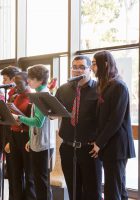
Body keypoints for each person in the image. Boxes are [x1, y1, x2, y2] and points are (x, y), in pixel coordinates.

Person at [90, 51, 135, 200]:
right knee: (117, 187)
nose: (92, 67)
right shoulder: (105, 85)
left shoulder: (119, 86)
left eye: (94, 63)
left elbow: (115, 120)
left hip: (117, 145)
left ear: (106, 64)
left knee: (112, 188)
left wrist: (99, 143)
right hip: (110, 144)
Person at [55, 55, 102, 200]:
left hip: (90, 149)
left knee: (92, 192)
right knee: (74, 191)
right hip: (68, 147)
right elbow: (55, 112)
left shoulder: (100, 89)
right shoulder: (63, 89)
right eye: (74, 67)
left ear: (90, 69)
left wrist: (99, 142)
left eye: (82, 67)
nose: (77, 70)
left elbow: (105, 119)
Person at [12, 65, 55, 200]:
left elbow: (37, 122)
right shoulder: (38, 94)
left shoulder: (42, 96)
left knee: (41, 182)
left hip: (43, 144)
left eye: (31, 78)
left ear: (40, 80)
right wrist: (30, 140)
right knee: (38, 181)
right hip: (38, 142)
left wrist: (18, 118)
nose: (28, 81)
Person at [8, 72, 36, 200]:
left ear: (27, 82)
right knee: (16, 173)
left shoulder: (33, 97)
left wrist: (19, 117)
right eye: (15, 82)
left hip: (26, 137)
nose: (16, 86)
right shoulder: (16, 97)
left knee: (29, 174)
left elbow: (34, 122)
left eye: (19, 83)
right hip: (14, 135)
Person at [0, 65, 20, 200]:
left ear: (14, 79)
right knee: (12, 176)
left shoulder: (17, 96)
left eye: (5, 79)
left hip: (14, 140)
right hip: (8, 138)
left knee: (16, 176)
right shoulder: (10, 95)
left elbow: (16, 122)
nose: (3, 83)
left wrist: (9, 142)